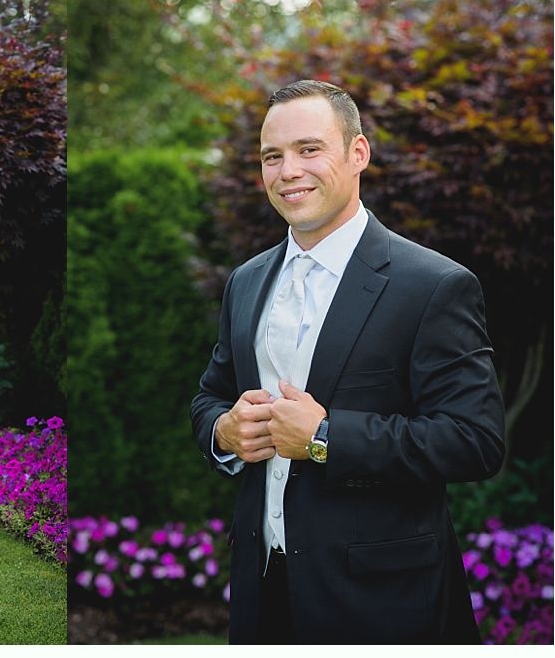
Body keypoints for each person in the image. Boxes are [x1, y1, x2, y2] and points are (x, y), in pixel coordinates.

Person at [191, 80, 505, 644]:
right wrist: (224, 430)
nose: (288, 170)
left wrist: (324, 437)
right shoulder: (246, 281)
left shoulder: (434, 286)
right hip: (263, 592)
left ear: (357, 153)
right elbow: (209, 396)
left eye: (309, 149)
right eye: (272, 156)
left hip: (383, 602)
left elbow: (475, 440)